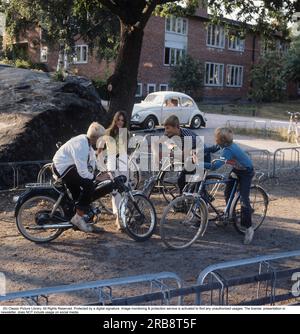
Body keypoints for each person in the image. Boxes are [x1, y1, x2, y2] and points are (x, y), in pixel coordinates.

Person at [204, 127, 255, 245]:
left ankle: (249, 228)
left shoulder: (229, 150)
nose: (214, 139)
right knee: (227, 192)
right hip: (237, 170)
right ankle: (228, 215)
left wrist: (197, 163)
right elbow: (212, 148)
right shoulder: (224, 145)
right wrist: (199, 150)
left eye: (216, 137)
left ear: (221, 140)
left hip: (246, 172)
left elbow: (215, 166)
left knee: (243, 199)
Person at [52, 122, 105, 232]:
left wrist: (101, 171)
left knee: (79, 193)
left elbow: (92, 161)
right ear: (96, 138)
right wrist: (95, 178)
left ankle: (82, 219)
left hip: (68, 167)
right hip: (62, 168)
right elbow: (83, 172)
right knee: (89, 185)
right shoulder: (82, 146)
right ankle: (78, 218)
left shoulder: (86, 142)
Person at [160, 115, 220, 193]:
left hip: (202, 155)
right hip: (191, 156)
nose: (166, 130)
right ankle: (185, 198)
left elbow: (183, 155)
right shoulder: (168, 133)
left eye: (168, 128)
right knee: (184, 180)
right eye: (165, 128)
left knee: (194, 182)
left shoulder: (187, 135)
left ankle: (199, 199)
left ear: (177, 127)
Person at [97, 111, 130, 231]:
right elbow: (99, 150)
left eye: (123, 120)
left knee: (124, 190)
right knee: (115, 191)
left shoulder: (126, 133)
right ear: (115, 120)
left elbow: (126, 151)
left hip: (123, 162)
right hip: (111, 163)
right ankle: (118, 218)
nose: (120, 122)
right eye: (119, 120)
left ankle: (123, 215)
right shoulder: (107, 132)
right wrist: (101, 165)